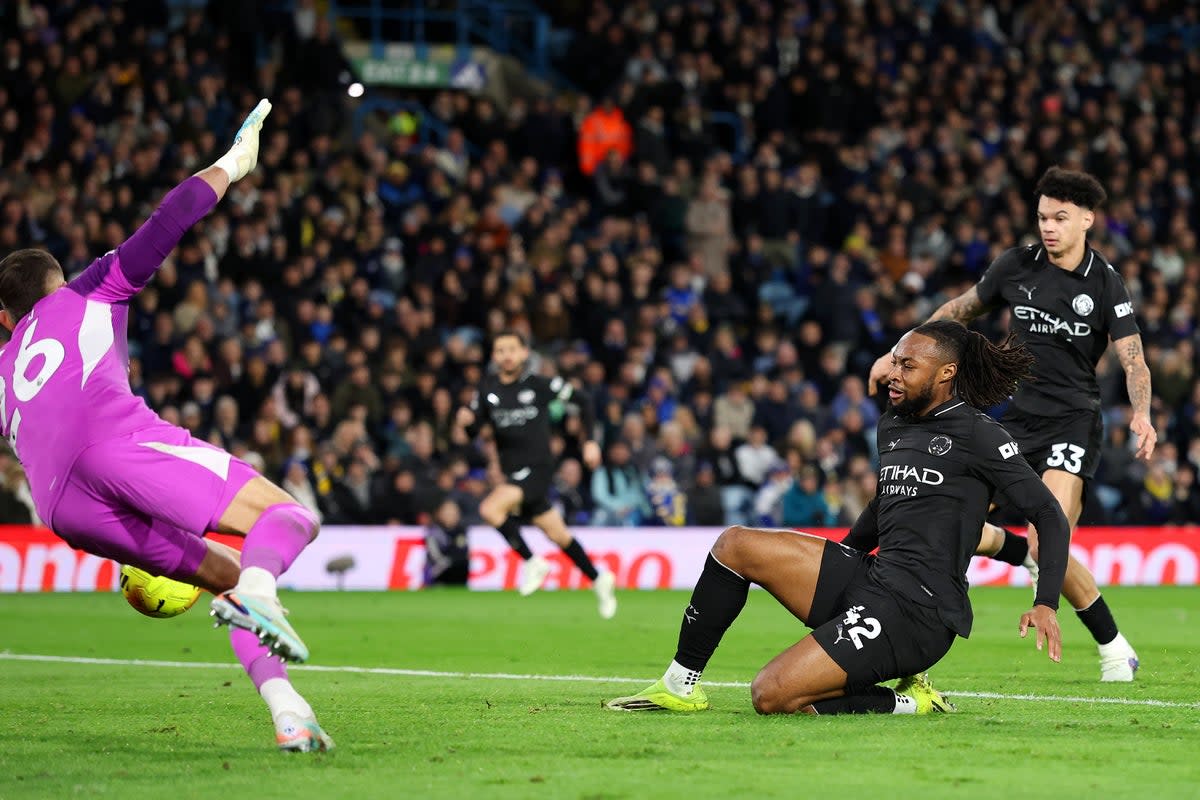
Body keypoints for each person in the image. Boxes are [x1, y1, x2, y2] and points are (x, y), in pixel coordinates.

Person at [0, 100, 333, 752]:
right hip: (116, 445)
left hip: (63, 508)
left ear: (5, 319)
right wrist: (233, 164)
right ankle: (258, 595)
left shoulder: (3, 371)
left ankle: (289, 713)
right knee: (290, 517)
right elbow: (170, 218)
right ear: (56, 284)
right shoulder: (87, 291)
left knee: (231, 578)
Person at [607, 321, 1070, 715]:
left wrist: (1046, 602)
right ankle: (679, 685)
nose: (893, 374)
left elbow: (1049, 513)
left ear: (946, 373)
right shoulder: (894, 421)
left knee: (771, 695)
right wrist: (838, 558)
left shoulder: (980, 434)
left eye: (908, 366)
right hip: (874, 577)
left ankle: (911, 702)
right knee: (735, 545)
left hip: (920, 611)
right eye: (894, 362)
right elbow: (884, 504)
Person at [867, 167, 1152, 682]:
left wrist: (1142, 413)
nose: (1048, 227)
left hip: (1072, 421)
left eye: (1060, 218)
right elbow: (957, 311)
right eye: (1043, 217)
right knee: (950, 523)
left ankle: (1113, 648)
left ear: (1086, 220)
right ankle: (1019, 558)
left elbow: (1133, 361)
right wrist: (897, 354)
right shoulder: (1016, 266)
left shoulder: (1105, 283)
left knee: (1047, 538)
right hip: (1016, 419)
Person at [454, 331, 617, 618]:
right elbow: (473, 430)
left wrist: (590, 441)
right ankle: (598, 578)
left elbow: (583, 400)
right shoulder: (487, 389)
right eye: (500, 350)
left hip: (539, 468)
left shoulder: (540, 385)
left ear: (524, 353)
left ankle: (532, 562)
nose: (507, 355)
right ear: (494, 356)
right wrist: (466, 424)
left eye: (512, 349)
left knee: (489, 509)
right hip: (513, 473)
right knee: (558, 535)